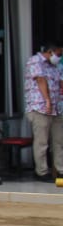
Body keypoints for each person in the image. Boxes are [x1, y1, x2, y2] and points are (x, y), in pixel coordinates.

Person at [25, 42, 63, 182]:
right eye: (58, 54)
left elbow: (60, 83)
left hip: (56, 109)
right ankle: (41, 171)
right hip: (40, 108)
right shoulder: (35, 61)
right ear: (50, 52)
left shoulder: (54, 66)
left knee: (59, 140)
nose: (59, 57)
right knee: (42, 142)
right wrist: (47, 101)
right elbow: (40, 80)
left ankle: (60, 170)